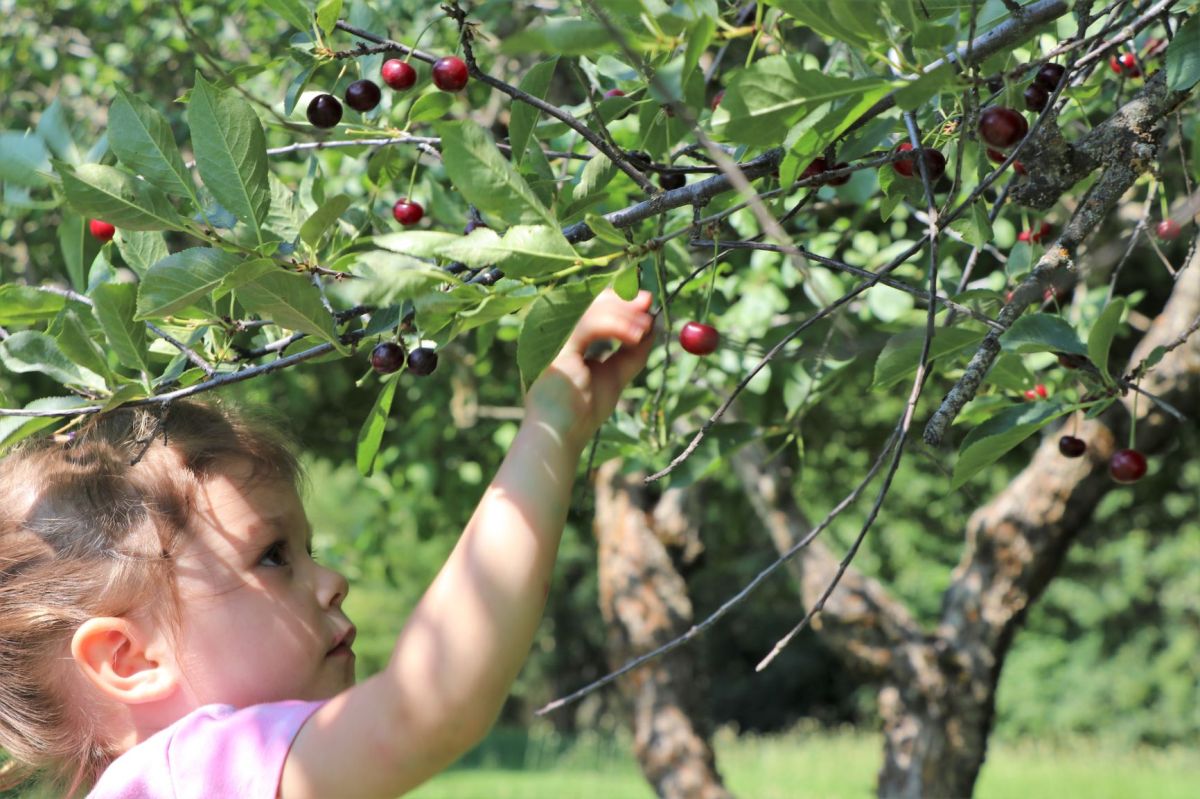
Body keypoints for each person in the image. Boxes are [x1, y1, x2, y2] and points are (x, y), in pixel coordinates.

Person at [0, 289, 656, 798]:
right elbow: (431, 704)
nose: (333, 581)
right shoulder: (189, 772)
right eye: (273, 556)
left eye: (305, 550)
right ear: (128, 658)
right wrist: (554, 426)